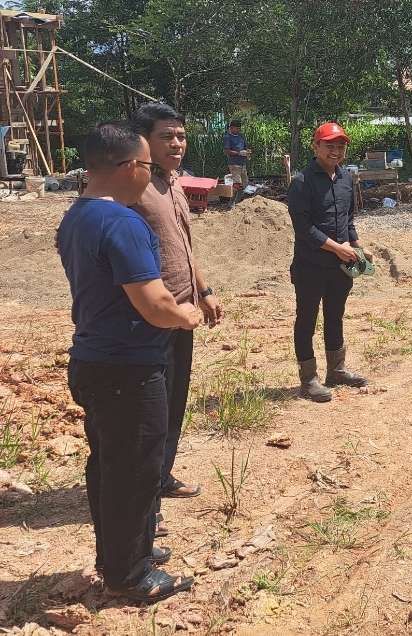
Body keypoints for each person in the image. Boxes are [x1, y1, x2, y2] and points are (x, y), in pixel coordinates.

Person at [58, 122, 201, 602]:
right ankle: (129, 574)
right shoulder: (123, 223)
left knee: (110, 465)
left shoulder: (76, 216)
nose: (149, 173)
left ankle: (123, 551)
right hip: (130, 368)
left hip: (93, 359)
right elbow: (154, 303)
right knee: (135, 469)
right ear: (126, 167)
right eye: (145, 164)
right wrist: (185, 315)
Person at [131, 102, 224, 537]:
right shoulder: (133, 189)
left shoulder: (173, 185)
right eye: (166, 136)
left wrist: (204, 292)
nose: (176, 144)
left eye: (181, 136)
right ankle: (143, 500)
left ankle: (161, 475)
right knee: (148, 413)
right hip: (150, 317)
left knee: (173, 401)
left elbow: (185, 247)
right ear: (143, 141)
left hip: (183, 313)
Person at [287, 122, 373, 402]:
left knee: (335, 315)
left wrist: (357, 247)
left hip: (340, 267)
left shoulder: (346, 178)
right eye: (329, 145)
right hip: (310, 266)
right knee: (306, 319)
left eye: (340, 146)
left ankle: (336, 371)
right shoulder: (301, 182)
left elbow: (348, 219)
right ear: (316, 147)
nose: (335, 151)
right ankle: (308, 379)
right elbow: (304, 228)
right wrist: (337, 249)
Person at [223, 120, 249, 208]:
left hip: (242, 163)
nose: (237, 130)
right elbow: (226, 151)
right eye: (236, 128)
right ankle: (231, 202)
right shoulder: (228, 137)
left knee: (245, 183)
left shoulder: (241, 136)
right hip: (234, 164)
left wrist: (247, 152)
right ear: (231, 128)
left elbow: (246, 147)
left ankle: (238, 202)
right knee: (237, 183)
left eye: (239, 128)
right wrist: (239, 153)